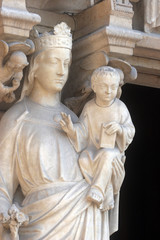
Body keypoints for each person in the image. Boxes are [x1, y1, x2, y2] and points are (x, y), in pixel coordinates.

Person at [0, 23, 125, 240]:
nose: (61, 71)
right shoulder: (18, 117)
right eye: (54, 62)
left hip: (84, 215)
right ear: (36, 68)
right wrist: (5, 218)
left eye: (66, 63)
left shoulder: (77, 119)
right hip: (38, 223)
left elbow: (96, 166)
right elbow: (2, 186)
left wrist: (112, 164)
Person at [60, 66, 135, 211]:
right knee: (82, 159)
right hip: (93, 152)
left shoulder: (120, 107)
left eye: (113, 87)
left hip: (113, 153)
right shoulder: (89, 107)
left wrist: (119, 129)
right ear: (94, 87)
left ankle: (98, 190)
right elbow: (83, 130)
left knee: (107, 155)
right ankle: (105, 189)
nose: (108, 91)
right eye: (104, 86)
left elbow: (130, 131)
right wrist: (71, 129)